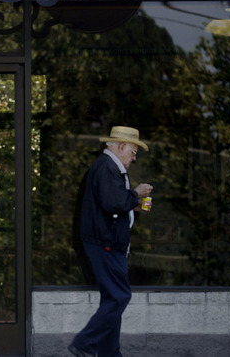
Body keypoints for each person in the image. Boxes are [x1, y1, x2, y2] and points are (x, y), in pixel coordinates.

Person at [69, 126, 153, 357]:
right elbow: (113, 202)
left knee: (112, 298)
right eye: (133, 152)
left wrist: (133, 205)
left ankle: (109, 354)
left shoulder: (108, 167)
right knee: (119, 296)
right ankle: (84, 343)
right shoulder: (107, 167)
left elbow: (110, 202)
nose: (134, 158)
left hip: (105, 242)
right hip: (105, 243)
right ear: (121, 146)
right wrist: (136, 194)